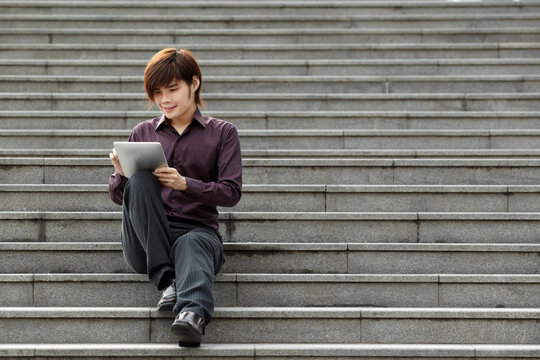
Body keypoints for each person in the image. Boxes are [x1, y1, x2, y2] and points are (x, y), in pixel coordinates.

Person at [108, 48, 242, 347]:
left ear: (194, 83)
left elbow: (231, 193)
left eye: (172, 89)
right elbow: (120, 197)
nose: (164, 100)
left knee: (192, 242)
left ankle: (191, 317)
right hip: (145, 240)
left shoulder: (223, 134)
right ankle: (168, 281)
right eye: (157, 92)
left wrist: (186, 184)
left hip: (197, 232)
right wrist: (122, 175)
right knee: (140, 178)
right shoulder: (142, 132)